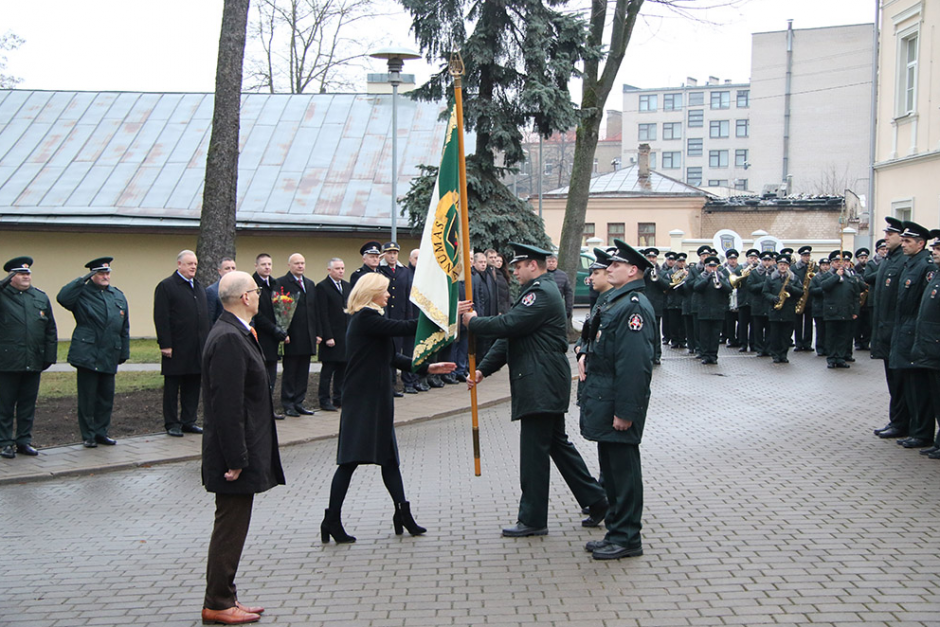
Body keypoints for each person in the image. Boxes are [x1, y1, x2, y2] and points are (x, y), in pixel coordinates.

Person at [463, 242, 607, 538]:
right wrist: (483, 369)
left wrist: (474, 323)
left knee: (533, 454)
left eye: (518, 266)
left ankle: (533, 519)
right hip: (542, 381)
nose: (513, 271)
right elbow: (511, 337)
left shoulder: (540, 292)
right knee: (557, 445)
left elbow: (510, 324)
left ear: (533, 265)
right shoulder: (536, 290)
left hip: (540, 383)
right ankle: (596, 499)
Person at [321, 273, 456, 543]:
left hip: (377, 396)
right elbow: (407, 326)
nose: (389, 295)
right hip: (362, 399)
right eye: (384, 291)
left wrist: (427, 367)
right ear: (371, 293)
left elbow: (392, 357)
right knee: (349, 460)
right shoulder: (366, 318)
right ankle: (331, 519)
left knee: (389, 459)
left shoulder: (372, 318)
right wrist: (445, 315)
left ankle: (402, 513)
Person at [200, 271, 285, 626]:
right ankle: (218, 602)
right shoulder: (229, 338)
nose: (260, 295)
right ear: (244, 298)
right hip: (233, 456)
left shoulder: (235, 332)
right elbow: (227, 405)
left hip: (241, 451)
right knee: (230, 527)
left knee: (234, 525)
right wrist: (236, 459)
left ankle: (225, 596)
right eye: (255, 290)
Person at [578, 239, 654, 560]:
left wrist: (626, 411)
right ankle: (616, 532)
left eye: (616, 265)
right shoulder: (614, 301)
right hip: (604, 399)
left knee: (624, 473)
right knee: (611, 472)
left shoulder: (632, 306)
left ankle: (627, 537)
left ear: (632, 270)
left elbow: (634, 366)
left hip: (616, 406)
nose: (609, 269)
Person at [57, 257, 130, 448]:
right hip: (88, 352)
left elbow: (124, 327)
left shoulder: (117, 295)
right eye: (100, 273)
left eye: (107, 272)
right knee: (88, 397)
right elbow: (62, 297)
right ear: (92, 275)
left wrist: (124, 351)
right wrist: (82, 280)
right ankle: (88, 435)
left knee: (106, 396)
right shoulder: (81, 293)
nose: (106, 276)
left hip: (109, 352)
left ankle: (101, 432)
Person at [0, 257, 57, 459]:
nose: (26, 277)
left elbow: (50, 329)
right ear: (11, 277)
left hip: (33, 360)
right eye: (21, 274)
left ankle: (23, 441)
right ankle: (4, 442)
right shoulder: (3, 295)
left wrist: (48, 357)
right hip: (7, 361)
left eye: (28, 273)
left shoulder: (39, 297)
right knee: (4, 405)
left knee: (27, 404)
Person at [889, 221, 936, 449]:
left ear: (920, 244)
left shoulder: (925, 266)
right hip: (905, 333)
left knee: (919, 388)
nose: (903, 244)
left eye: (908, 241)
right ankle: (915, 429)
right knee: (909, 386)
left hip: (917, 335)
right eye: (903, 240)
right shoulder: (910, 264)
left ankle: (922, 432)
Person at [154, 250, 210, 437]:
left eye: (195, 263)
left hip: (197, 346)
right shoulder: (167, 286)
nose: (193, 267)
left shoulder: (199, 287)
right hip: (176, 346)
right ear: (179, 264)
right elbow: (161, 317)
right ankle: (172, 423)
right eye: (189, 264)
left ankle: (189, 420)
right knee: (172, 387)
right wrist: (165, 344)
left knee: (193, 385)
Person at [871, 218, 912, 439]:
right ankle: (896, 420)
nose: (886, 238)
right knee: (893, 381)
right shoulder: (890, 259)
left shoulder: (902, 261)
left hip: (896, 330)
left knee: (900, 381)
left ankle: (902, 423)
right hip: (886, 329)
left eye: (891, 235)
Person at [277, 253, 320, 416]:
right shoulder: (281, 283)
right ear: (289, 265)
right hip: (292, 335)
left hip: (308, 335)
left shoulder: (309, 284)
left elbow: (314, 310)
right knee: (290, 371)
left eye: (302, 263)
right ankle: (288, 403)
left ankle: (299, 402)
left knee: (303, 371)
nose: (300, 266)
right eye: (296, 263)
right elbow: (280, 310)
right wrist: (283, 332)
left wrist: (317, 333)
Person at [911, 231, 940, 459]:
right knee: (935, 396)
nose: (934, 252)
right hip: (930, 346)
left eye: (938, 249)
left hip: (936, 345)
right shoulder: (937, 275)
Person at [378, 242, 418, 395]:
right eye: (389, 253)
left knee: (407, 351)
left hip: (403, 317)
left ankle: (408, 383)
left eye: (395, 253)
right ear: (384, 255)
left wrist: (409, 318)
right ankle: (391, 384)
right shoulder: (380, 271)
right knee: (392, 352)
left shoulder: (405, 271)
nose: (392, 256)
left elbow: (409, 295)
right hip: (389, 318)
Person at [250, 253, 287, 420]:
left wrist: (283, 327)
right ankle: (257, 411)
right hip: (261, 336)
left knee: (271, 377)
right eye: (263, 264)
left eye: (269, 264)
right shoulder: (252, 285)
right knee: (259, 377)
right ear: (256, 266)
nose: (267, 267)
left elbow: (281, 309)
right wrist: (274, 328)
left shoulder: (275, 284)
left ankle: (268, 410)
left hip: (274, 339)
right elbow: (257, 314)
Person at [316, 258, 350, 411]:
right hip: (331, 337)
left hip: (345, 336)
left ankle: (339, 398)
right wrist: (327, 336)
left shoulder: (347, 286)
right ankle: (324, 400)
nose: (341, 271)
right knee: (327, 371)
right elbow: (322, 313)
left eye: (342, 268)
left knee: (342, 370)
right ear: (329, 270)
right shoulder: (322, 287)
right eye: (337, 268)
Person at [818, 251, 861, 368]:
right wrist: (837, 276)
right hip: (832, 311)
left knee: (843, 336)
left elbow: (856, 295)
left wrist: (855, 311)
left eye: (841, 262)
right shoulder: (827, 275)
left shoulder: (850, 277)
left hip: (846, 311)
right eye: (836, 262)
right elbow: (824, 286)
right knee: (831, 336)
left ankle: (841, 358)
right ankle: (831, 358)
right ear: (832, 263)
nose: (839, 264)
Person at [762, 253, 803, 364]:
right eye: (780, 264)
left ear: (788, 266)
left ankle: (783, 354)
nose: (783, 267)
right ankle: (775, 354)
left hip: (788, 310)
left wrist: (792, 288)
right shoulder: (771, 278)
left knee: (786, 335)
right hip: (775, 310)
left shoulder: (794, 278)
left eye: (785, 264)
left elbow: (801, 292)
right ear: (777, 265)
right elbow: (765, 292)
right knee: (775, 335)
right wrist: (773, 298)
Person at [693, 255, 732, 365]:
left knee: (715, 335)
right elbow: (696, 288)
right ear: (706, 267)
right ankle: (705, 355)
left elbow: (729, 289)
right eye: (710, 266)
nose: (712, 269)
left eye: (714, 266)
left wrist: (719, 280)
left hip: (718, 310)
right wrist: (708, 279)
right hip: (704, 310)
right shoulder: (701, 276)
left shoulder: (722, 276)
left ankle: (713, 355)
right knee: (704, 335)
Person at [748, 251, 776, 357]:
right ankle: (759, 348)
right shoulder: (755, 273)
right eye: (765, 260)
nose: (767, 263)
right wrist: (764, 284)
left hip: (770, 304)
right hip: (758, 304)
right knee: (757, 328)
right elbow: (750, 287)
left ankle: (768, 348)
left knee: (770, 329)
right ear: (762, 261)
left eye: (769, 260)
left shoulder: (775, 273)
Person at [470, 251, 497, 360]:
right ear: (474, 263)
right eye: (480, 262)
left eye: (485, 262)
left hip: (489, 312)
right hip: (479, 313)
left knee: (486, 340)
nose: (483, 264)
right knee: (477, 341)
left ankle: (483, 359)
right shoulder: (474, 276)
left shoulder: (488, 275)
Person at [792, 245, 815, 351]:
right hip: (798, 297)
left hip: (809, 298)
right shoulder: (795, 268)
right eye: (805, 256)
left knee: (809, 322)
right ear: (801, 256)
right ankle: (798, 343)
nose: (807, 258)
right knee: (798, 322)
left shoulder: (814, 267)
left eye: (808, 255)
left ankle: (807, 343)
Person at [205, 257, 237, 324]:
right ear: (219, 271)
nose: (231, 271)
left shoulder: (241, 289)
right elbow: (210, 319)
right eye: (227, 268)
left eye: (233, 268)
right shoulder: (212, 291)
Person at [546, 253, 574, 327]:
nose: (551, 263)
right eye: (549, 261)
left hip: (558, 309)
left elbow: (568, 293)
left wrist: (568, 310)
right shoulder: (541, 274)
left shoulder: (563, 275)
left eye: (553, 261)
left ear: (557, 263)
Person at [487, 248, 512, 315]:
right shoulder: (493, 274)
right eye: (497, 261)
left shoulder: (502, 274)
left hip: (505, 307)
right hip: (500, 309)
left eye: (501, 261)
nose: (499, 263)